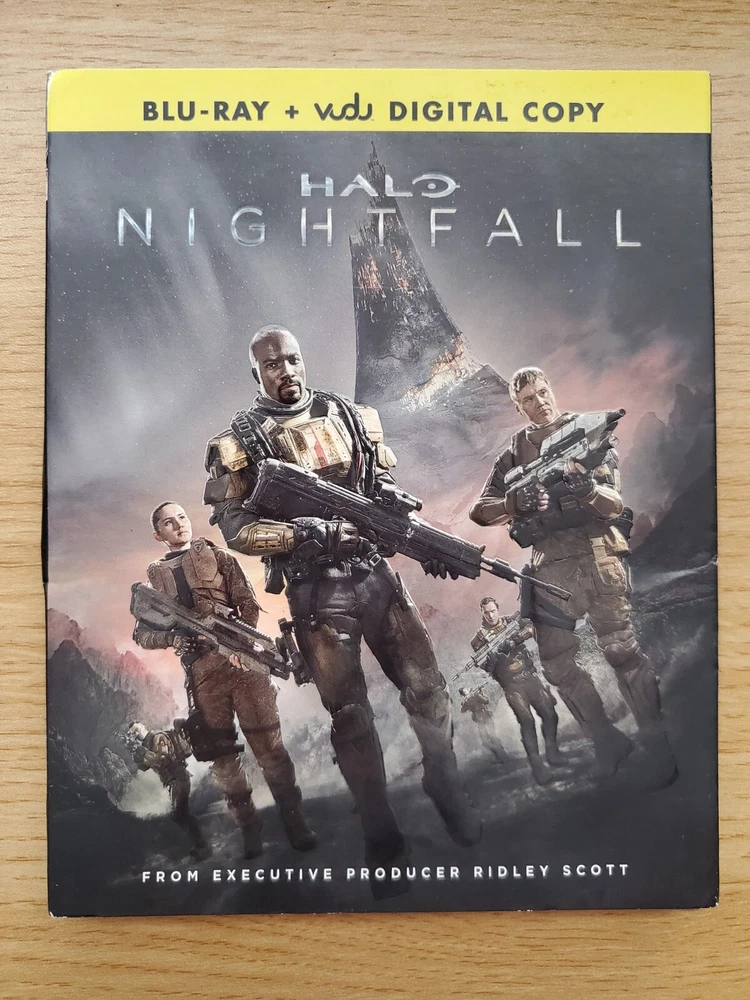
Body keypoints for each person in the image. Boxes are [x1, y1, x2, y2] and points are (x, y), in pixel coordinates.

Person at [202, 324, 481, 864]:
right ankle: (381, 834)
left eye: (292, 359)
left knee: (429, 689)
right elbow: (236, 530)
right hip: (316, 594)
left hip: (376, 575)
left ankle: (444, 783)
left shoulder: (351, 416)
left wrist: (404, 524)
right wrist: (307, 533)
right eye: (272, 364)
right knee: (351, 718)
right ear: (256, 373)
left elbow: (378, 486)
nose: (286, 371)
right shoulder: (237, 444)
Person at [469, 367, 677, 785]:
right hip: (549, 566)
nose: (539, 402)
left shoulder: (586, 431)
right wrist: (513, 503)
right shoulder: (512, 454)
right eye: (528, 399)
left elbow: (614, 504)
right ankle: (607, 743)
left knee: (621, 650)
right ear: (518, 407)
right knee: (556, 665)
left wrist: (586, 491)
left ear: (552, 390)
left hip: (598, 552)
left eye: (542, 392)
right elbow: (480, 510)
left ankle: (658, 749)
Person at [132, 501, 317, 858]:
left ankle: (296, 824)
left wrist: (239, 643)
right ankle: (250, 831)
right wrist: (172, 639)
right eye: (168, 523)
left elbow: (247, 604)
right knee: (222, 760)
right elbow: (142, 634)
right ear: (158, 534)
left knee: (270, 749)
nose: (179, 525)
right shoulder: (154, 579)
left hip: (243, 668)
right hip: (202, 678)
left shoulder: (219, 557)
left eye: (182, 517)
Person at [471, 597, 565, 786]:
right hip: (511, 685)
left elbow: (531, 628)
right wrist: (495, 654)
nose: (490, 615)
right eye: (486, 612)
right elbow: (486, 667)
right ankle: (538, 767)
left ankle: (552, 752)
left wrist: (514, 639)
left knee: (550, 714)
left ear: (497, 609)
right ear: (481, 613)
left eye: (492, 611)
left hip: (529, 676)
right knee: (527, 721)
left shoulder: (510, 621)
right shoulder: (479, 639)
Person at [125, 720, 210, 861]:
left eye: (137, 729)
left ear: (144, 726)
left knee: (180, 813)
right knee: (179, 814)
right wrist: (137, 753)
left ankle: (203, 845)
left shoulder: (158, 737)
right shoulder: (146, 744)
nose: (136, 733)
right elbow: (144, 767)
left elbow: (163, 759)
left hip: (179, 777)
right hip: (173, 781)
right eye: (133, 732)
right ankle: (200, 843)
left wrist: (143, 753)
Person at [458, 686, 507, 764]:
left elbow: (463, 710)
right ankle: (501, 754)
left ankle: (500, 755)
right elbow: (486, 701)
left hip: (483, 718)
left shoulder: (470, 698)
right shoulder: (475, 695)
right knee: (491, 737)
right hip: (485, 718)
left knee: (488, 739)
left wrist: (465, 701)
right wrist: (482, 693)